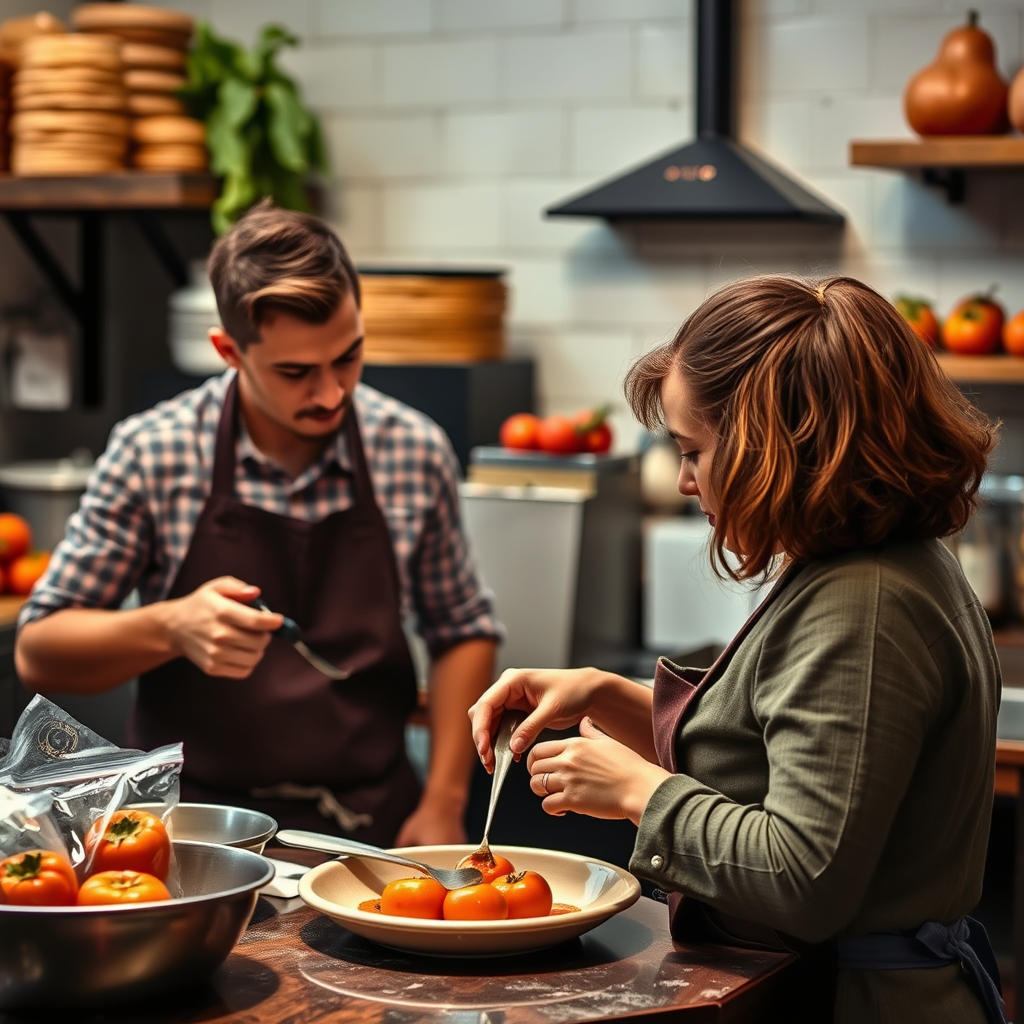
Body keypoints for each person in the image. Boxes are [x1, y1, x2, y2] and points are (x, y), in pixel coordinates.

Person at [469, 275, 1003, 1023]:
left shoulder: (865, 607)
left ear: (778, 446)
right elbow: (765, 753)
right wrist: (600, 693)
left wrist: (636, 791)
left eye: (695, 449)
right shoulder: (860, 565)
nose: (685, 480)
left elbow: (803, 877)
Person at [16, 201, 501, 847]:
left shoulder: (411, 449)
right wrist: (170, 625)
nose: (331, 393)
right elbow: (40, 650)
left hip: (371, 823)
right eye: (296, 372)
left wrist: (444, 801)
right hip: (190, 830)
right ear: (228, 351)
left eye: (349, 358)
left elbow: (462, 631)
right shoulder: (153, 452)